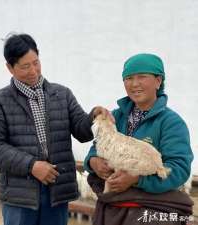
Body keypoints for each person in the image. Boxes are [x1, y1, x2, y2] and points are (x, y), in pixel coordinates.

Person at [0, 33, 109, 225]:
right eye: (25, 66)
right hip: (20, 194)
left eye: (36, 62)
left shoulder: (62, 94)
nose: (33, 71)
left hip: (57, 189)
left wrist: (93, 116)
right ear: (9, 67)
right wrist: (32, 166)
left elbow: (82, 133)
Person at [83, 53, 194, 225]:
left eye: (142, 77)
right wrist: (94, 162)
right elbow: (96, 148)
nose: (134, 84)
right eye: (128, 78)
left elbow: (179, 169)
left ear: (158, 81)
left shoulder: (171, 123)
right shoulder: (116, 117)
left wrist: (137, 179)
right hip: (112, 208)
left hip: (151, 212)